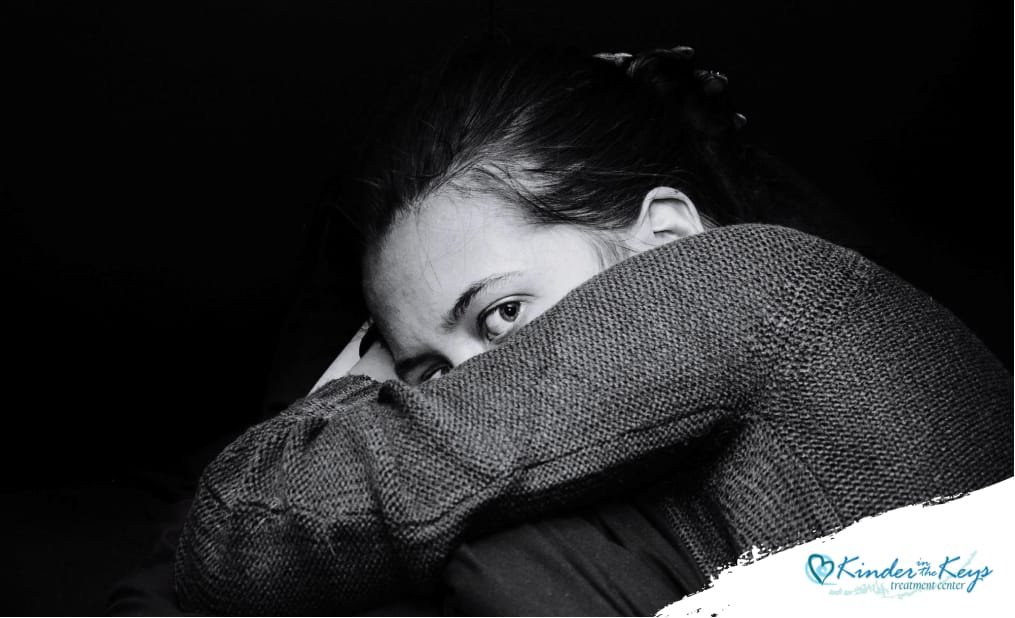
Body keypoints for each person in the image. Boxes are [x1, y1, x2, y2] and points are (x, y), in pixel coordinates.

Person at [172, 44, 1013, 615]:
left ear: (670, 239)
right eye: (425, 371)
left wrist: (366, 377)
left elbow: (241, 528)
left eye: (502, 312)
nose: (468, 386)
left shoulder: (746, 284)